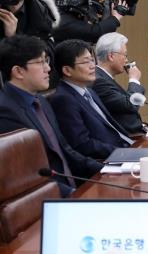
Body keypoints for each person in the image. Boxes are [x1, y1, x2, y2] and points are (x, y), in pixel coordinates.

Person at [0, 35, 102, 197]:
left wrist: (107, 169)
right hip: (46, 202)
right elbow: (28, 176)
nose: (48, 68)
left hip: (73, 189)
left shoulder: (41, 100)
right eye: (40, 62)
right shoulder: (5, 111)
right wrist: (74, 196)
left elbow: (65, 150)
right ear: (18, 71)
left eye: (46, 61)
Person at [50, 39, 133, 160]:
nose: (92, 66)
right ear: (67, 70)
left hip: (125, 147)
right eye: (85, 62)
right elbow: (83, 145)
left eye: (92, 60)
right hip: (108, 159)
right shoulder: (64, 99)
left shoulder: (89, 91)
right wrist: (122, 152)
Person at [92, 32, 145, 134]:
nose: (126, 60)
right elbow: (130, 105)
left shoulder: (104, 77)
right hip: (127, 139)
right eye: (125, 55)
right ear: (111, 56)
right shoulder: (99, 81)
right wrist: (134, 80)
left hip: (135, 132)